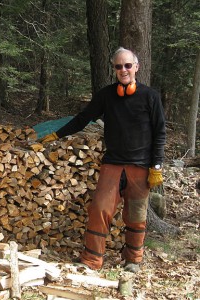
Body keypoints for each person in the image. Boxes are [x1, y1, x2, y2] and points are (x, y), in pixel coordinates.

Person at [40, 47, 166, 273]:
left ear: (136, 67)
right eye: (119, 66)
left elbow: (160, 132)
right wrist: (57, 134)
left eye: (128, 65)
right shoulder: (106, 95)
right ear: (114, 70)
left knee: (136, 215)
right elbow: (82, 119)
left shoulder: (150, 96)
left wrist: (156, 165)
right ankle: (91, 260)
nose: (123, 70)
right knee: (99, 209)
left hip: (140, 167)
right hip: (113, 165)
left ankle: (133, 260)